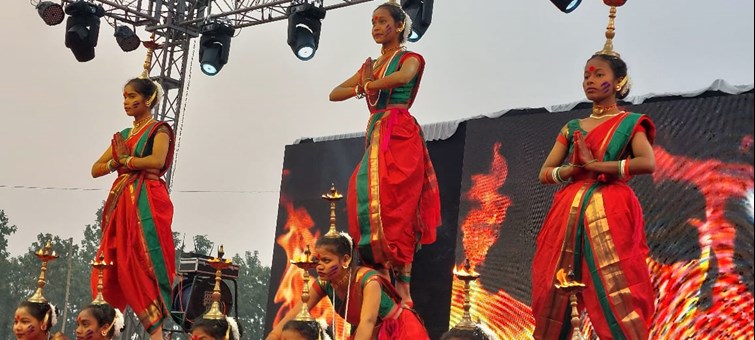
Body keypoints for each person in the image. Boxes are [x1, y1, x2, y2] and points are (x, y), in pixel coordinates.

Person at [531, 7, 656, 340]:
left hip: (612, 207)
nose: (589, 81)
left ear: (618, 83)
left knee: (620, 288)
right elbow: (545, 172)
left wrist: (596, 167)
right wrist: (573, 170)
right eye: (586, 75)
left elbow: (648, 162)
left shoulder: (629, 123)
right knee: (553, 289)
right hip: (567, 210)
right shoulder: (573, 126)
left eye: (598, 74)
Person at [328, 0, 441, 308]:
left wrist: (369, 84)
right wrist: (361, 86)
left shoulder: (410, 57)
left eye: (382, 22)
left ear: (400, 25)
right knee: (362, 198)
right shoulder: (370, 67)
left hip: (400, 131)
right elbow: (334, 93)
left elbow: (404, 77)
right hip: (377, 135)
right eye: (373, 23)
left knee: (398, 208)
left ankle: (403, 285)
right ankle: (383, 276)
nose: (376, 28)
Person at [90, 45, 176, 338]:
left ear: (148, 99)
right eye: (124, 97)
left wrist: (126, 161)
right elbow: (95, 168)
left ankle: (157, 334)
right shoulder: (123, 136)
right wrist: (117, 161)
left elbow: (157, 161)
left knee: (141, 262)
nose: (126, 102)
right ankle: (104, 325)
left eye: (132, 97)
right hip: (121, 205)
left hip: (147, 202)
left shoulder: (158, 130)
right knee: (112, 261)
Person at [267, 233, 430, 340]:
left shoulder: (368, 280)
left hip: (400, 332)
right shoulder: (324, 283)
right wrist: (273, 336)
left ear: (345, 260)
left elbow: (367, 322)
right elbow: (293, 314)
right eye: (318, 260)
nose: (319, 267)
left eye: (326, 260)